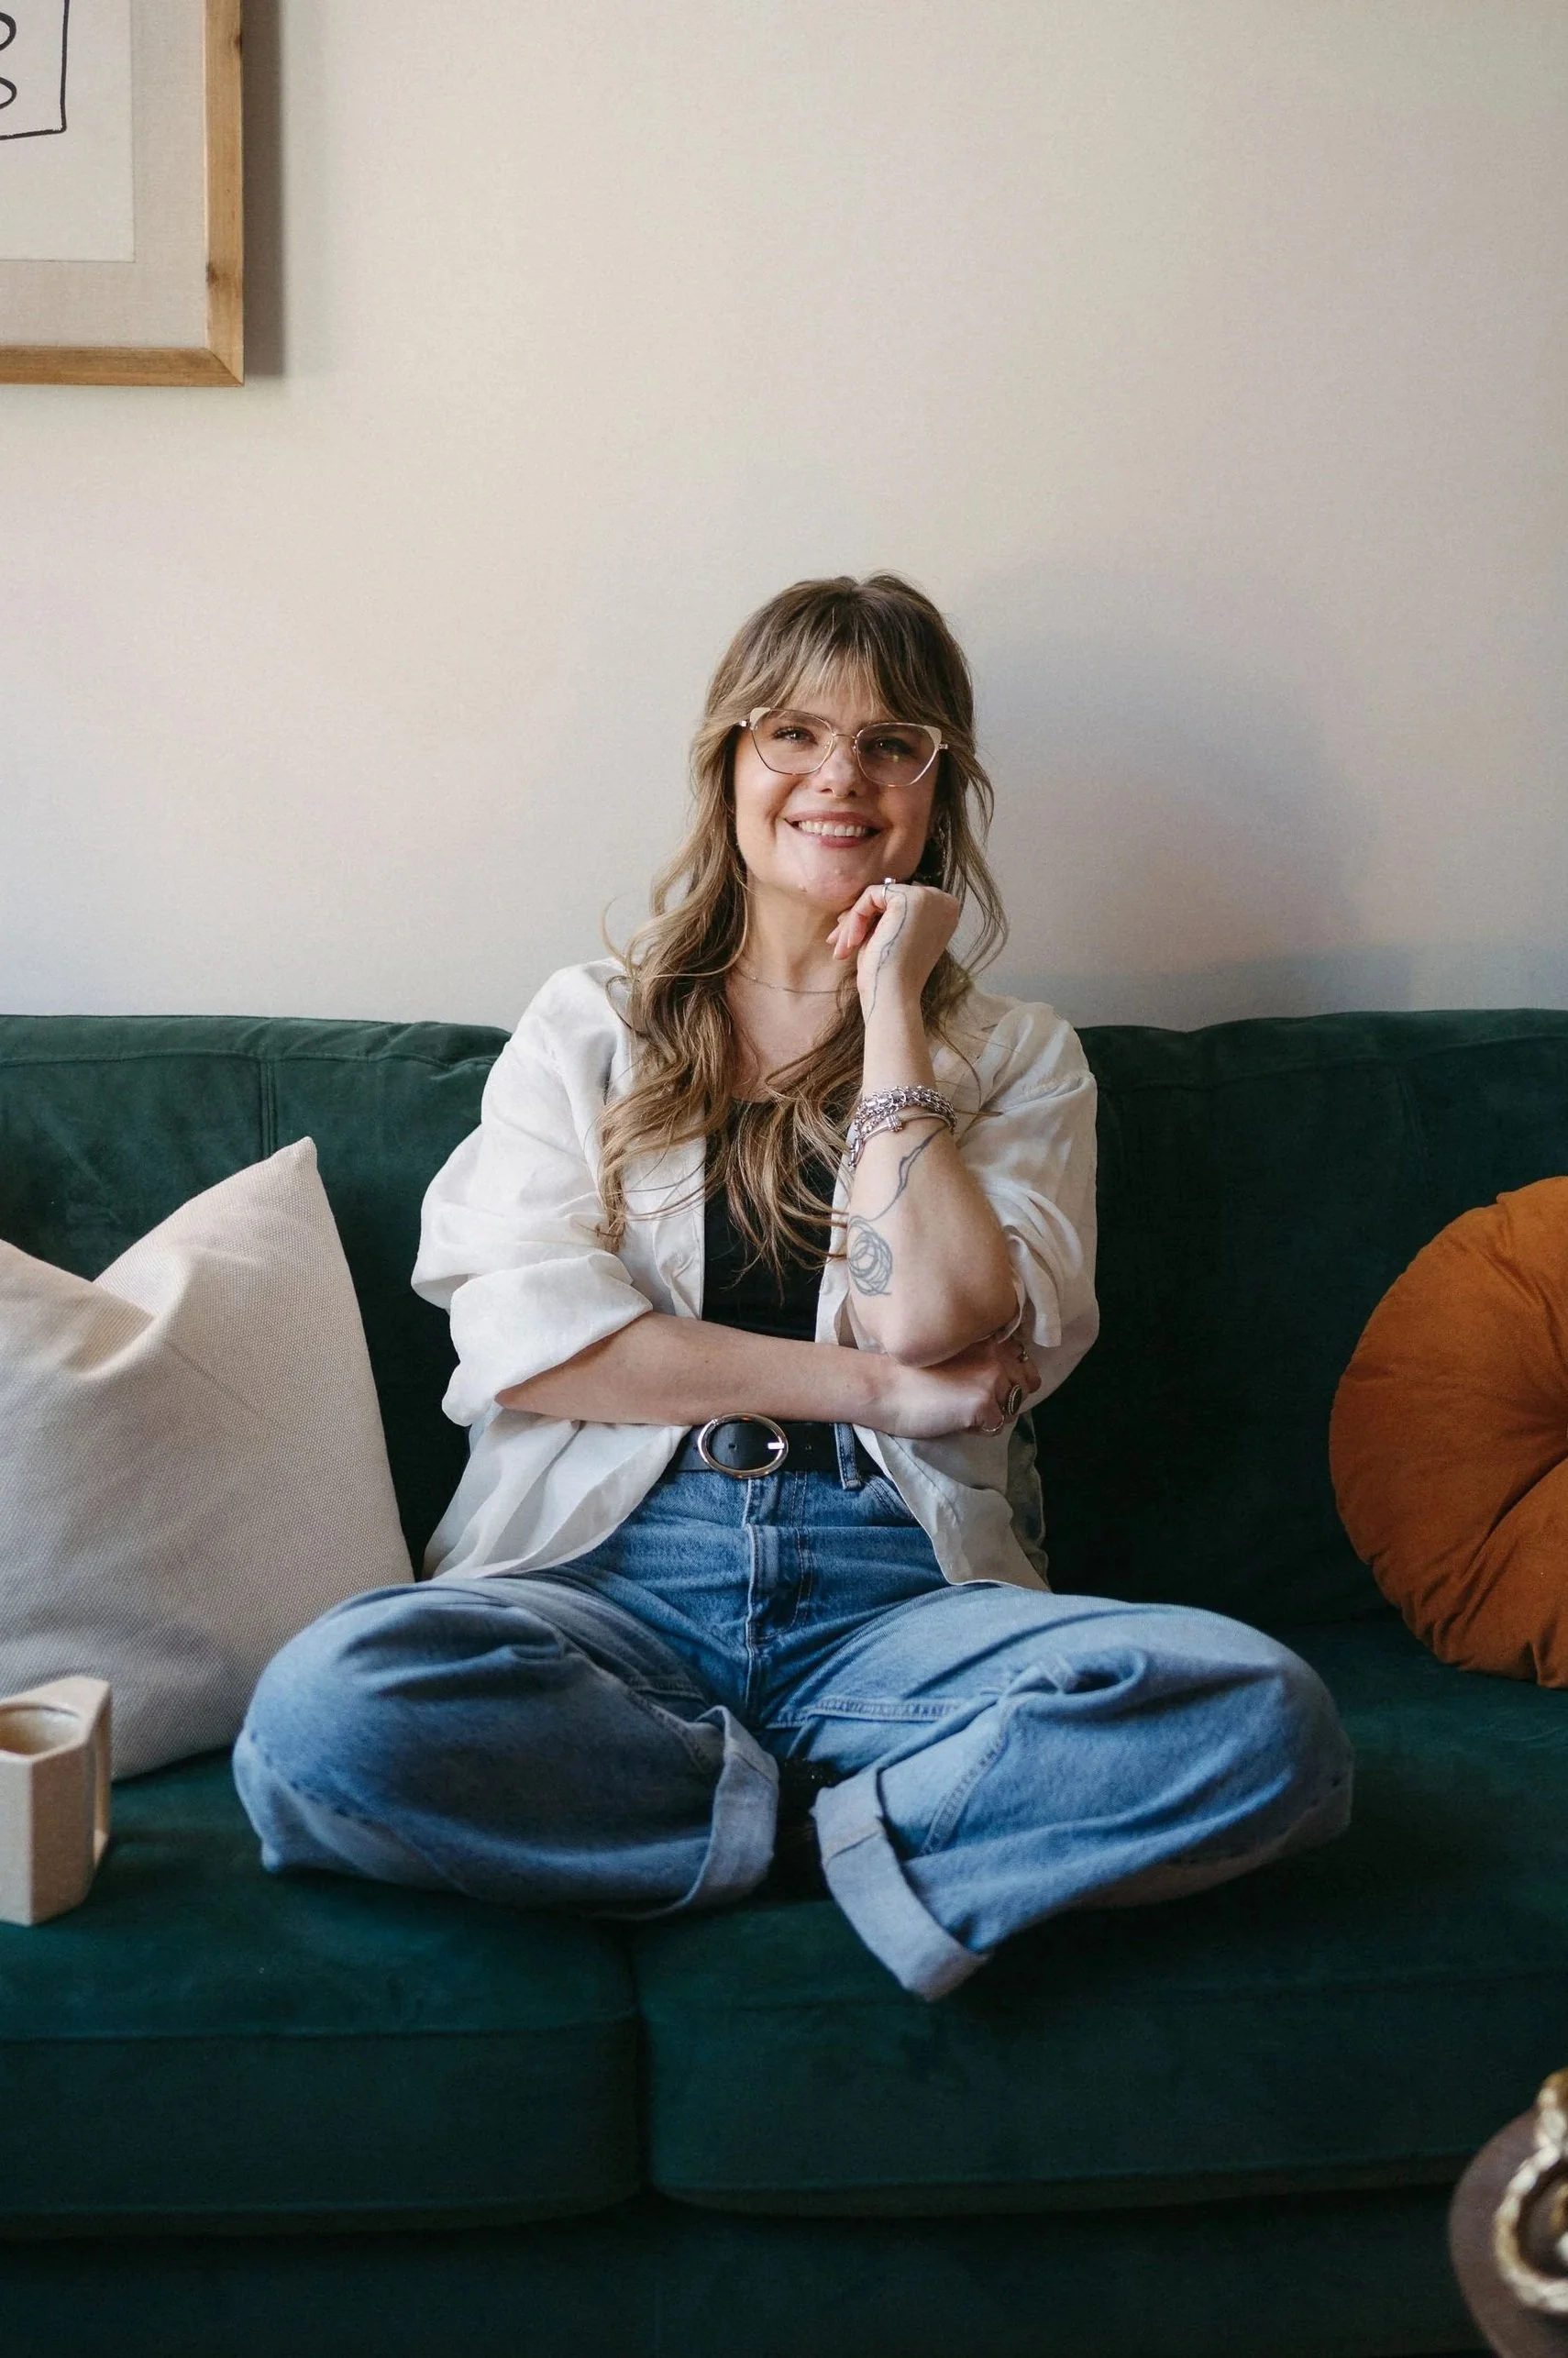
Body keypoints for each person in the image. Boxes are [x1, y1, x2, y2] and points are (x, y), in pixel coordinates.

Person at [234, 573, 1353, 2000]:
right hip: (606, 1587)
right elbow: (536, 1346)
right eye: (794, 733)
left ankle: (745, 1830)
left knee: (1264, 1722)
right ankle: (851, 1835)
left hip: (902, 1596)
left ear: (940, 786)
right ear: (729, 762)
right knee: (326, 1714)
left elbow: (943, 1317)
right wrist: (872, 1387)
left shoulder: (1013, 1056)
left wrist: (892, 1013)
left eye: (892, 742)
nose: (841, 775)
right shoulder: (592, 1025)